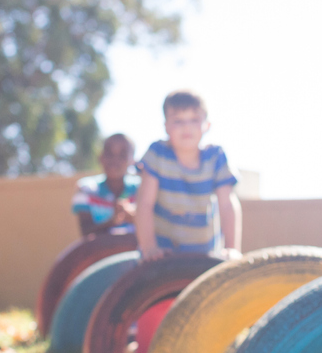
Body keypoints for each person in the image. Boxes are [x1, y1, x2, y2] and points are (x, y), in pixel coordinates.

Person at [135, 90, 240, 260]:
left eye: (194, 120)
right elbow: (144, 203)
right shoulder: (158, 154)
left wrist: (231, 248)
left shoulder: (215, 157)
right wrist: (149, 248)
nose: (186, 126)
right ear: (166, 126)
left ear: (207, 125)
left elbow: (227, 204)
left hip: (204, 254)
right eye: (178, 120)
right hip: (161, 254)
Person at [73, 134, 138, 237]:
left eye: (122, 154)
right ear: (100, 157)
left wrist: (134, 217)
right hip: (100, 252)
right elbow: (86, 231)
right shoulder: (86, 189)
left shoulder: (143, 189)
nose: (115, 160)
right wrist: (113, 221)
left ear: (132, 161)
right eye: (109, 153)